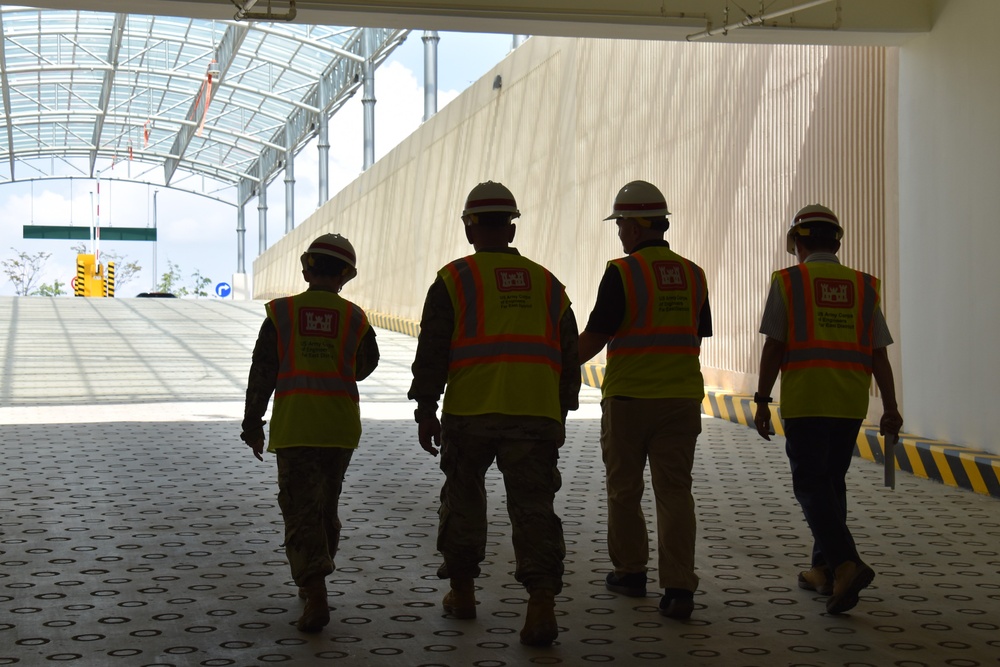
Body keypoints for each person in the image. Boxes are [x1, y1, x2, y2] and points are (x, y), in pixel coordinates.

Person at [408, 181, 580, 647]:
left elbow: (433, 350)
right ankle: (540, 604)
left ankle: (462, 593)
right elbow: (569, 354)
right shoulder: (548, 283)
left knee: (463, 503)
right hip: (535, 416)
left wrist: (426, 408)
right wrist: (561, 412)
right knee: (534, 509)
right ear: (511, 225)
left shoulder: (454, 279)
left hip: (471, 413)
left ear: (469, 228)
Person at [753, 204, 902, 615]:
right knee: (832, 483)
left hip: (807, 400)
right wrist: (890, 407)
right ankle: (825, 569)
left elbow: (775, 346)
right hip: (849, 401)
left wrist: (762, 400)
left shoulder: (789, 282)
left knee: (810, 484)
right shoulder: (863, 286)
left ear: (798, 242)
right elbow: (879, 355)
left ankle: (846, 562)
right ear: (837, 241)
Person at [578, 180, 711, 620]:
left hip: (629, 399)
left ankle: (631, 574)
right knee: (675, 492)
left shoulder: (622, 271)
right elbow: (697, 332)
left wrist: (555, 363)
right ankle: (678, 589)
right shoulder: (694, 274)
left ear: (635, 228)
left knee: (624, 490)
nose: (618, 233)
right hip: (681, 399)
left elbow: (596, 336)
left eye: (620, 225)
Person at [240, 233, 379, 633]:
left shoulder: (281, 314)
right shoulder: (355, 317)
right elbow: (367, 362)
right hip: (339, 427)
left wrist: (253, 425)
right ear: (347, 275)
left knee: (300, 511)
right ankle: (316, 577)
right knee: (325, 507)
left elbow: (262, 373)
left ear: (305, 268)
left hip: (296, 427)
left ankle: (315, 592)